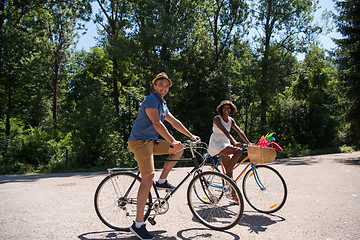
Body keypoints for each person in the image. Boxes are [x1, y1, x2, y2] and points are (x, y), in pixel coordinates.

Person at [128, 72, 199, 240]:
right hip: (139, 141)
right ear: (155, 85)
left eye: (166, 86)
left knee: (178, 150)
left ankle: (162, 181)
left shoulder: (162, 103)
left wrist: (190, 136)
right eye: (161, 84)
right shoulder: (151, 99)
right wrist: (173, 140)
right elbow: (157, 123)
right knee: (148, 177)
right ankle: (138, 225)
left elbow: (174, 122)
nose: (164, 88)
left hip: (151, 141)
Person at [207, 100, 251, 200]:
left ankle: (234, 196)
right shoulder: (217, 119)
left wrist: (249, 143)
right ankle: (227, 176)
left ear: (231, 109)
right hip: (216, 143)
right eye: (225, 107)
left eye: (228, 108)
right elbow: (225, 131)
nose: (226, 109)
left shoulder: (231, 120)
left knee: (230, 172)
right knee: (238, 151)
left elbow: (240, 131)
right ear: (221, 109)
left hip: (226, 143)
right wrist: (234, 142)